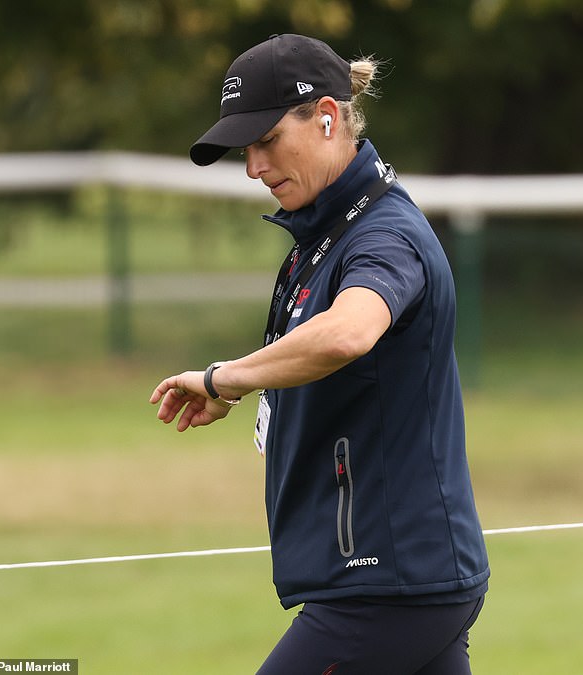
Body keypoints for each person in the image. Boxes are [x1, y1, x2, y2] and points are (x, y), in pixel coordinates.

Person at [150, 33, 490, 675]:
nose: (253, 167)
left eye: (267, 141)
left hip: (385, 585)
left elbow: (345, 333)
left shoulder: (385, 235)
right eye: (246, 150)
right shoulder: (322, 240)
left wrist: (226, 379)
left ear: (328, 118)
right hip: (404, 579)